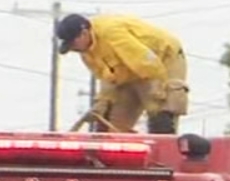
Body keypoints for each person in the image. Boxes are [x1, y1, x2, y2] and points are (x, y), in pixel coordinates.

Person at [55, 12, 189, 134]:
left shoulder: (112, 33)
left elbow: (147, 63)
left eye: (73, 43)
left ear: (84, 33)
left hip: (162, 59)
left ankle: (162, 149)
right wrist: (103, 102)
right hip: (128, 71)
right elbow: (107, 78)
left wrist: (156, 94)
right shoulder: (86, 53)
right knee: (111, 125)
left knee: (160, 116)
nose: (73, 49)